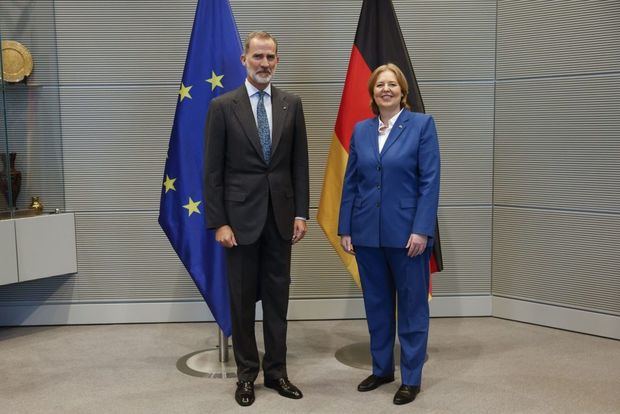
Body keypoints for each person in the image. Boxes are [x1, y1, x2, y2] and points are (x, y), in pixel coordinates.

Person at [203, 31, 309, 407]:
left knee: (278, 302)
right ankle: (247, 376)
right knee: (243, 301)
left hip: (281, 220)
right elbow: (212, 171)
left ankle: (277, 372)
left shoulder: (291, 104)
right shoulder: (222, 107)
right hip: (239, 222)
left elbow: (299, 164)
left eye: (271, 57)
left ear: (278, 61)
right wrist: (219, 222)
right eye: (258, 56)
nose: (264, 63)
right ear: (244, 59)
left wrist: (300, 212)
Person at [338, 63, 440, 405]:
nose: (386, 89)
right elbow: (351, 181)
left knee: (412, 309)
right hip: (367, 235)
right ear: (372, 92)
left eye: (391, 85)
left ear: (402, 91)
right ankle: (382, 369)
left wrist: (422, 230)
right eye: (380, 84)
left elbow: (429, 182)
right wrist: (346, 227)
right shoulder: (361, 130)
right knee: (377, 306)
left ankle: (411, 377)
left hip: (408, 237)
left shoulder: (422, 126)